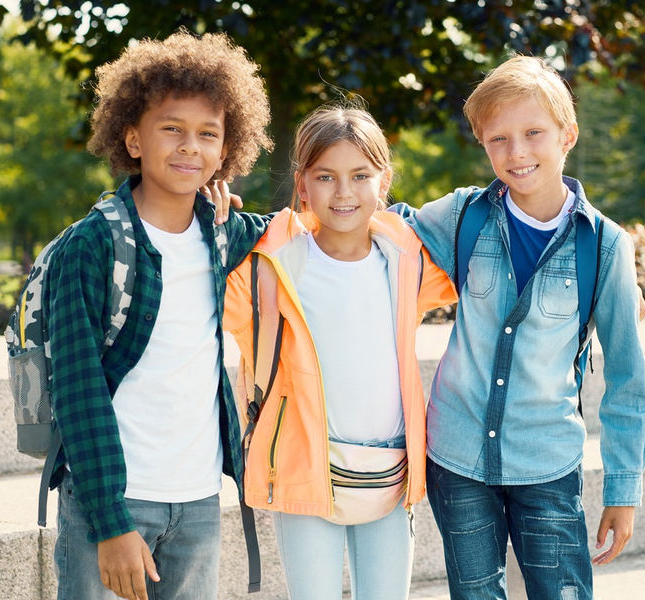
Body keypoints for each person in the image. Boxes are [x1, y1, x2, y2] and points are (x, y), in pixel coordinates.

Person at [393, 55, 645, 599]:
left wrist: (623, 491)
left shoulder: (605, 245)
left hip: (547, 461)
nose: (516, 153)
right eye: (498, 139)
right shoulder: (463, 216)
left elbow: (629, 382)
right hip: (457, 454)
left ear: (568, 135)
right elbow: (387, 229)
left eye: (533, 133)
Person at [45, 30, 272, 600]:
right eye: (171, 128)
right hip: (115, 502)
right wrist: (110, 521)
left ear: (227, 151)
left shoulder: (224, 234)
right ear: (133, 138)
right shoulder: (92, 245)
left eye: (207, 134)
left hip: (197, 500)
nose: (189, 147)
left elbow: (318, 224)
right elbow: (77, 389)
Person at [222, 104, 457, 600]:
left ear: (383, 182)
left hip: (390, 480)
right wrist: (212, 215)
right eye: (326, 176)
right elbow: (204, 275)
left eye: (360, 175)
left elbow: (482, 257)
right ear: (303, 185)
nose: (344, 191)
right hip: (306, 477)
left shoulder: (408, 261)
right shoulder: (273, 267)